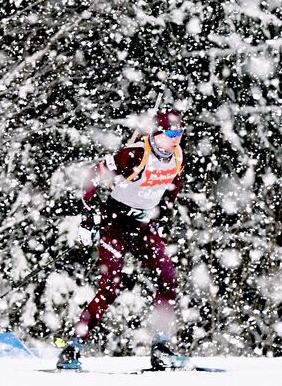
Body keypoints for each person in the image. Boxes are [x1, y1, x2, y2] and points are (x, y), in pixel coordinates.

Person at [56, 108, 187, 371]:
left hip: (143, 227)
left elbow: (174, 186)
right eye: (172, 133)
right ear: (157, 133)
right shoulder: (134, 154)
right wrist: (89, 215)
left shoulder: (178, 156)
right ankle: (72, 349)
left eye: (180, 133)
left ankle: (161, 349)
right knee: (110, 287)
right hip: (115, 224)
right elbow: (92, 176)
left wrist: (161, 213)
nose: (177, 139)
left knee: (168, 280)